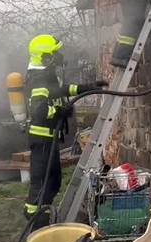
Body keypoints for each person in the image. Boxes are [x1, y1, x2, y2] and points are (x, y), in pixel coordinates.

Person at [23, 34, 108, 230]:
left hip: (48, 137)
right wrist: (59, 111)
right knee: (42, 180)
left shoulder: (45, 74)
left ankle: (44, 213)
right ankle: (34, 216)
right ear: (45, 57)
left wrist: (86, 87)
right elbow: (39, 111)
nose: (59, 55)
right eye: (55, 52)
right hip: (42, 138)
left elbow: (60, 91)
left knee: (53, 180)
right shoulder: (38, 80)